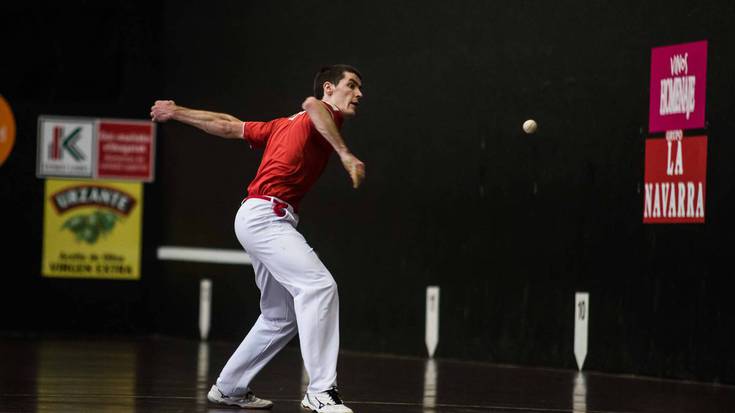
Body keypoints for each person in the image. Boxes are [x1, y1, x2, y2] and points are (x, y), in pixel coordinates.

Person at [150, 64, 365, 412]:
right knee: (319, 287)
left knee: (280, 315)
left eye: (359, 88)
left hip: (258, 216)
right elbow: (313, 105)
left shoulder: (281, 125)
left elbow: (227, 125)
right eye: (351, 85)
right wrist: (345, 154)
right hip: (266, 217)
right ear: (329, 88)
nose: (358, 94)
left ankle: (229, 387)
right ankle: (321, 391)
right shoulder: (323, 112)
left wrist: (177, 112)